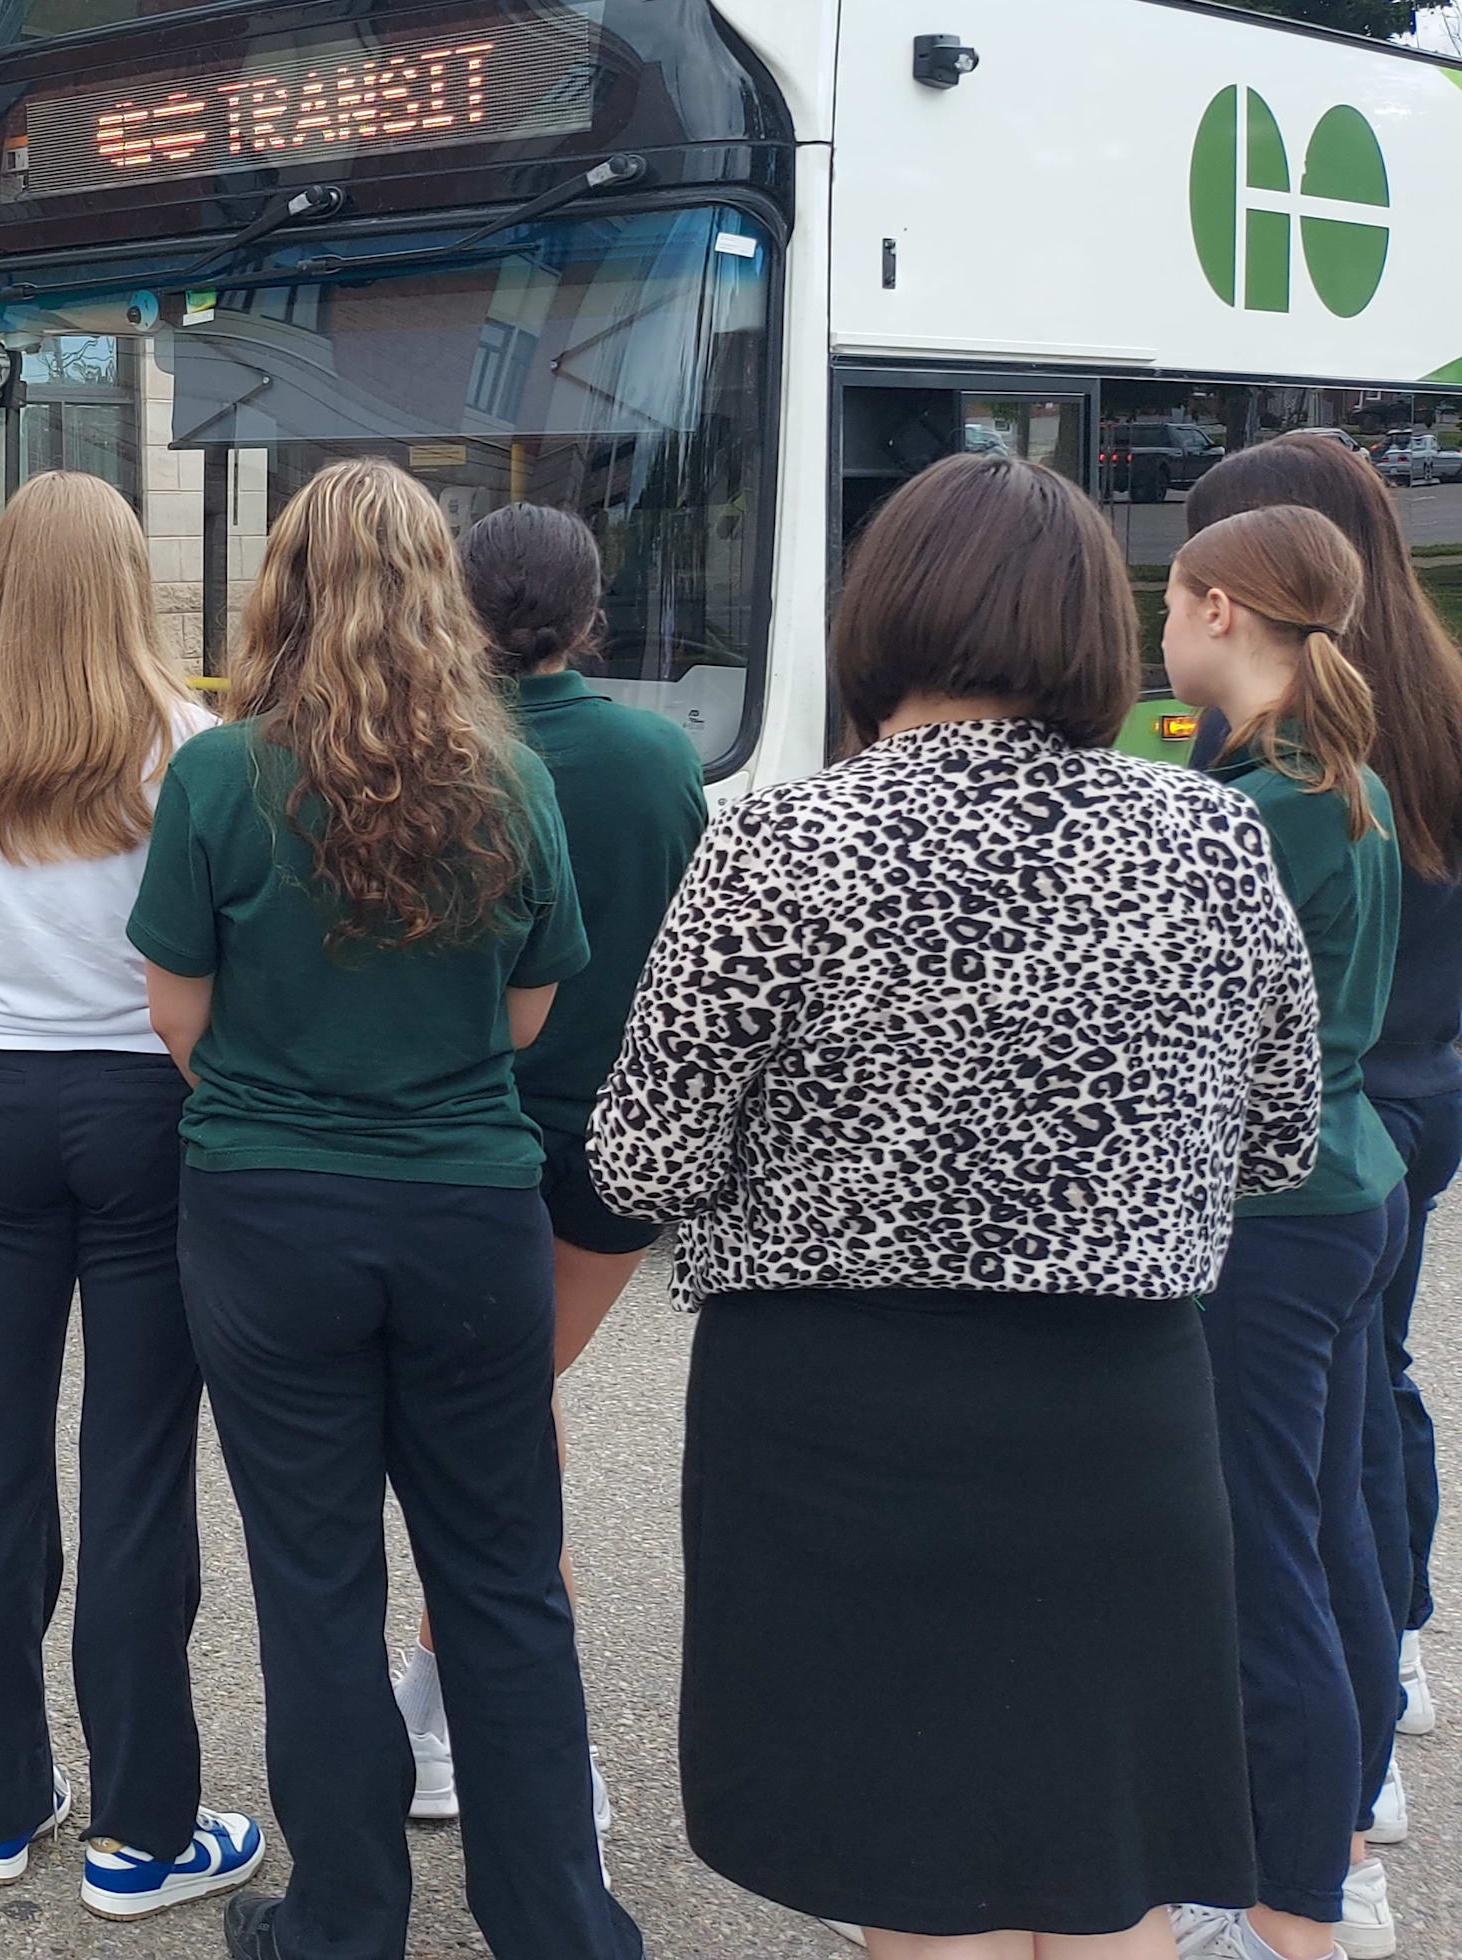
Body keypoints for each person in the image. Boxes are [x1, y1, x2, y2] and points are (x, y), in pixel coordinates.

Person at [588, 448, 1320, 1959]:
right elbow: (1282, 1138)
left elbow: (645, 1161)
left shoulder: (782, 842)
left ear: (885, 613)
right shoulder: (1209, 839)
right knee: (1104, 1862)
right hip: (1116, 1414)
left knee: (917, 1877)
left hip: (838, 1416)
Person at [126, 457, 639, 1960]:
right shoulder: (513, 775)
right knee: (498, 1576)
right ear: (442, 594)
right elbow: (535, 1013)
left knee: (316, 1583)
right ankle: (556, 1920)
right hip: (470, 1210)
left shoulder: (222, 775)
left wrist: (297, 1084)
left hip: (268, 1213)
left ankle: (344, 1918)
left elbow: (176, 1016)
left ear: (280, 588)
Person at [0, 470, 264, 1917]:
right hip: (150, 1110)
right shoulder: (191, 742)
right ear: (132, 578)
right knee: (139, 1460)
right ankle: (142, 1826)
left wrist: (6, 1012)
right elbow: (214, 955)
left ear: (3, 577)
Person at [393, 503, 709, 1825]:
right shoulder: (654, 755)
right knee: (502, 1415)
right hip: (606, 1152)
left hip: (459, 1139)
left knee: (489, 1430)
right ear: (593, 613)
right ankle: (455, 1698)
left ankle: (512, 1725)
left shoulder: (428, 751)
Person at [1184, 437, 1462, 1788]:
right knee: (1362, 1424)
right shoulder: (1404, 727)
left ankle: (1319, 1824)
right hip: (1401, 1108)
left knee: (1283, 1495)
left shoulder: (1274, 790)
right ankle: (1377, 1707)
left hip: (1306, 1153)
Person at [1162, 503, 1408, 1960]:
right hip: (1345, 1192)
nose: (1162, 629)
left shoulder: (1252, 810)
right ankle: (1316, 1866)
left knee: (1266, 1575)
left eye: (1177, 604)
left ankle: (1282, 1912)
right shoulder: (1333, 779)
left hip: (1273, 1215)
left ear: (1223, 613)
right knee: (1323, 1547)